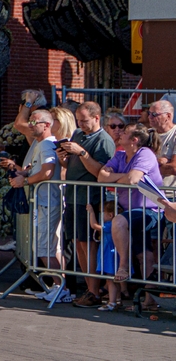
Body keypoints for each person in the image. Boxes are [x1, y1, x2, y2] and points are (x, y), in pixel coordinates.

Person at [72, 120, 163, 310]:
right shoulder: (120, 155)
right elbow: (101, 177)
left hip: (149, 211)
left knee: (120, 223)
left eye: (124, 132)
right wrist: (123, 177)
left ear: (134, 139)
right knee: (143, 255)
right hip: (130, 211)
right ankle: (147, 300)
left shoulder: (145, 154)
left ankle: (123, 266)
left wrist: (118, 178)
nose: (119, 133)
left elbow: (133, 179)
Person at [0, 107, 64, 302]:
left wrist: (24, 181)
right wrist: (23, 173)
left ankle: (61, 287)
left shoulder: (46, 145)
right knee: (44, 247)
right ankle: (57, 286)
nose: (31, 125)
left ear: (47, 125)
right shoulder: (41, 144)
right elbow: (38, 169)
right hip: (42, 201)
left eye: (35, 122)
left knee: (44, 248)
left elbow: (47, 172)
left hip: (47, 201)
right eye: (31, 121)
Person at [56, 101, 117, 306]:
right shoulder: (77, 134)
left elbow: (100, 172)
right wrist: (63, 157)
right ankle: (90, 289)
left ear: (96, 118)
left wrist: (82, 152)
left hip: (90, 198)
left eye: (84, 120)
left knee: (88, 244)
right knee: (78, 243)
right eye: (78, 120)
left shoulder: (103, 140)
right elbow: (70, 165)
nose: (80, 124)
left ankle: (94, 291)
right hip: (74, 196)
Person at [148, 99, 176, 185]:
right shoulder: (148, 134)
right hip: (148, 190)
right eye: (149, 113)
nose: (150, 117)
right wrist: (159, 162)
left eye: (154, 114)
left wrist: (147, 168)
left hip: (169, 191)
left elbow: (174, 168)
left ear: (168, 116)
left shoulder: (174, 134)